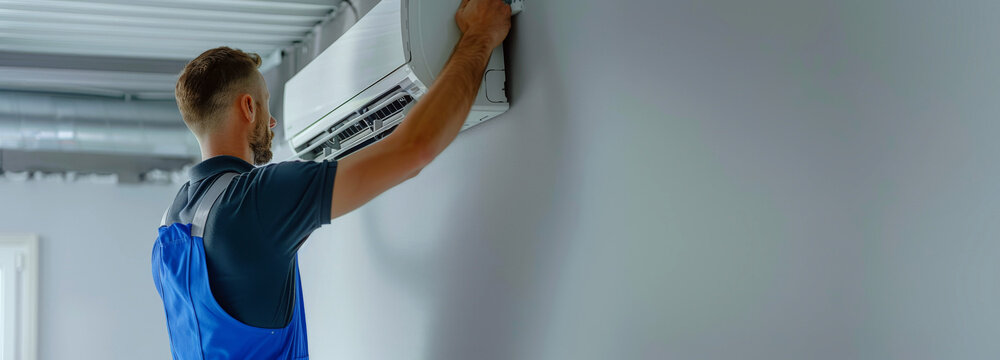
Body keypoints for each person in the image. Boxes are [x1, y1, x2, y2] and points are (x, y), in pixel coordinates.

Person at [151, 0, 512, 358]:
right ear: (248, 107)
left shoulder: (173, 226)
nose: (272, 122)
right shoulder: (257, 201)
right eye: (265, 104)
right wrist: (479, 37)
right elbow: (414, 149)